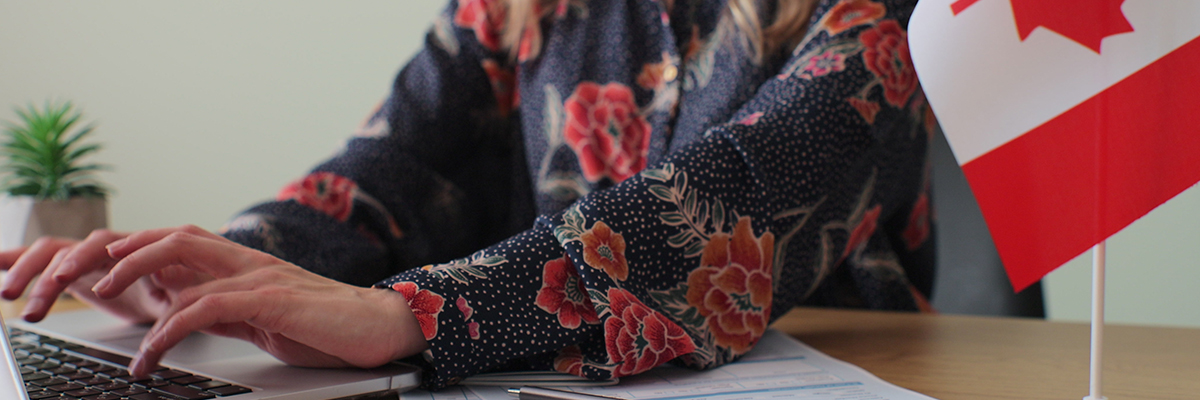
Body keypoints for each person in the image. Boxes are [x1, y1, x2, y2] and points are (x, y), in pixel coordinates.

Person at [0, 0, 935, 389]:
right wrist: (216, 270)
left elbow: (741, 192)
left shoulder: (875, 17)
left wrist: (411, 313)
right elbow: (386, 170)